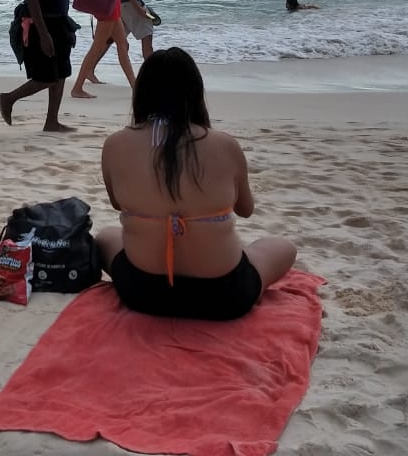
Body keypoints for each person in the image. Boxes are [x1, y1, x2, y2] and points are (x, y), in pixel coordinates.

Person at [96, 48, 297, 320]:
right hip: (224, 296)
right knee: (283, 247)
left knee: (105, 237)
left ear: (141, 93)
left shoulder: (115, 144)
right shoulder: (224, 144)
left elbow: (117, 203)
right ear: (194, 93)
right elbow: (245, 209)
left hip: (143, 292)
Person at [0, 0, 90, 133]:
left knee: (61, 73)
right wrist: (43, 34)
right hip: (43, 24)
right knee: (46, 77)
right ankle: (8, 98)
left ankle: (52, 122)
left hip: (59, 23)